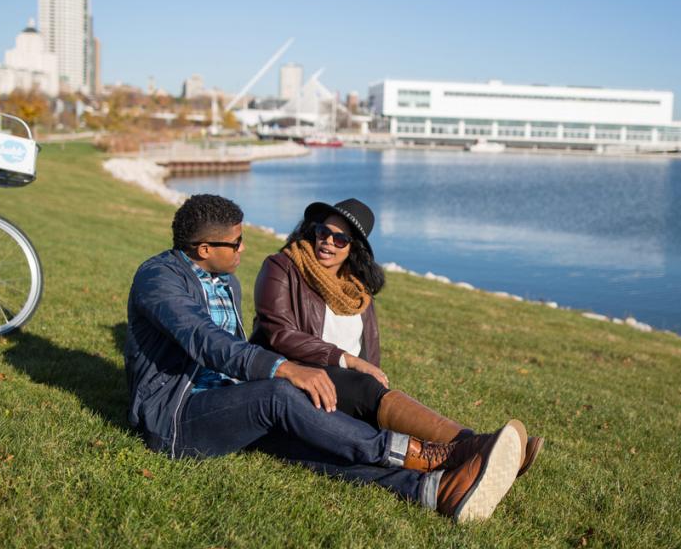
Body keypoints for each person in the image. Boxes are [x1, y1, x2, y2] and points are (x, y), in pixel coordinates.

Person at [125, 193, 527, 522]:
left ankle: (436, 491)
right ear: (205, 248)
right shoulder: (159, 280)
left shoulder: (224, 278)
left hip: (230, 402)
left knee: (312, 435)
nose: (244, 247)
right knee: (279, 395)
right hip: (178, 419)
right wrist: (282, 368)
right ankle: (424, 454)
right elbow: (205, 339)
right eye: (236, 242)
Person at [251, 198, 543, 475]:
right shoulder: (283, 267)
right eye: (323, 232)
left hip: (349, 389)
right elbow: (281, 334)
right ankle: (478, 446)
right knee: (365, 392)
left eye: (340, 238)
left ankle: (479, 453)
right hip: (295, 378)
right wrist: (350, 362)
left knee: (378, 414)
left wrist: (364, 373)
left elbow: (369, 356)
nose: (328, 241)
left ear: (353, 248)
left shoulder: (358, 291)